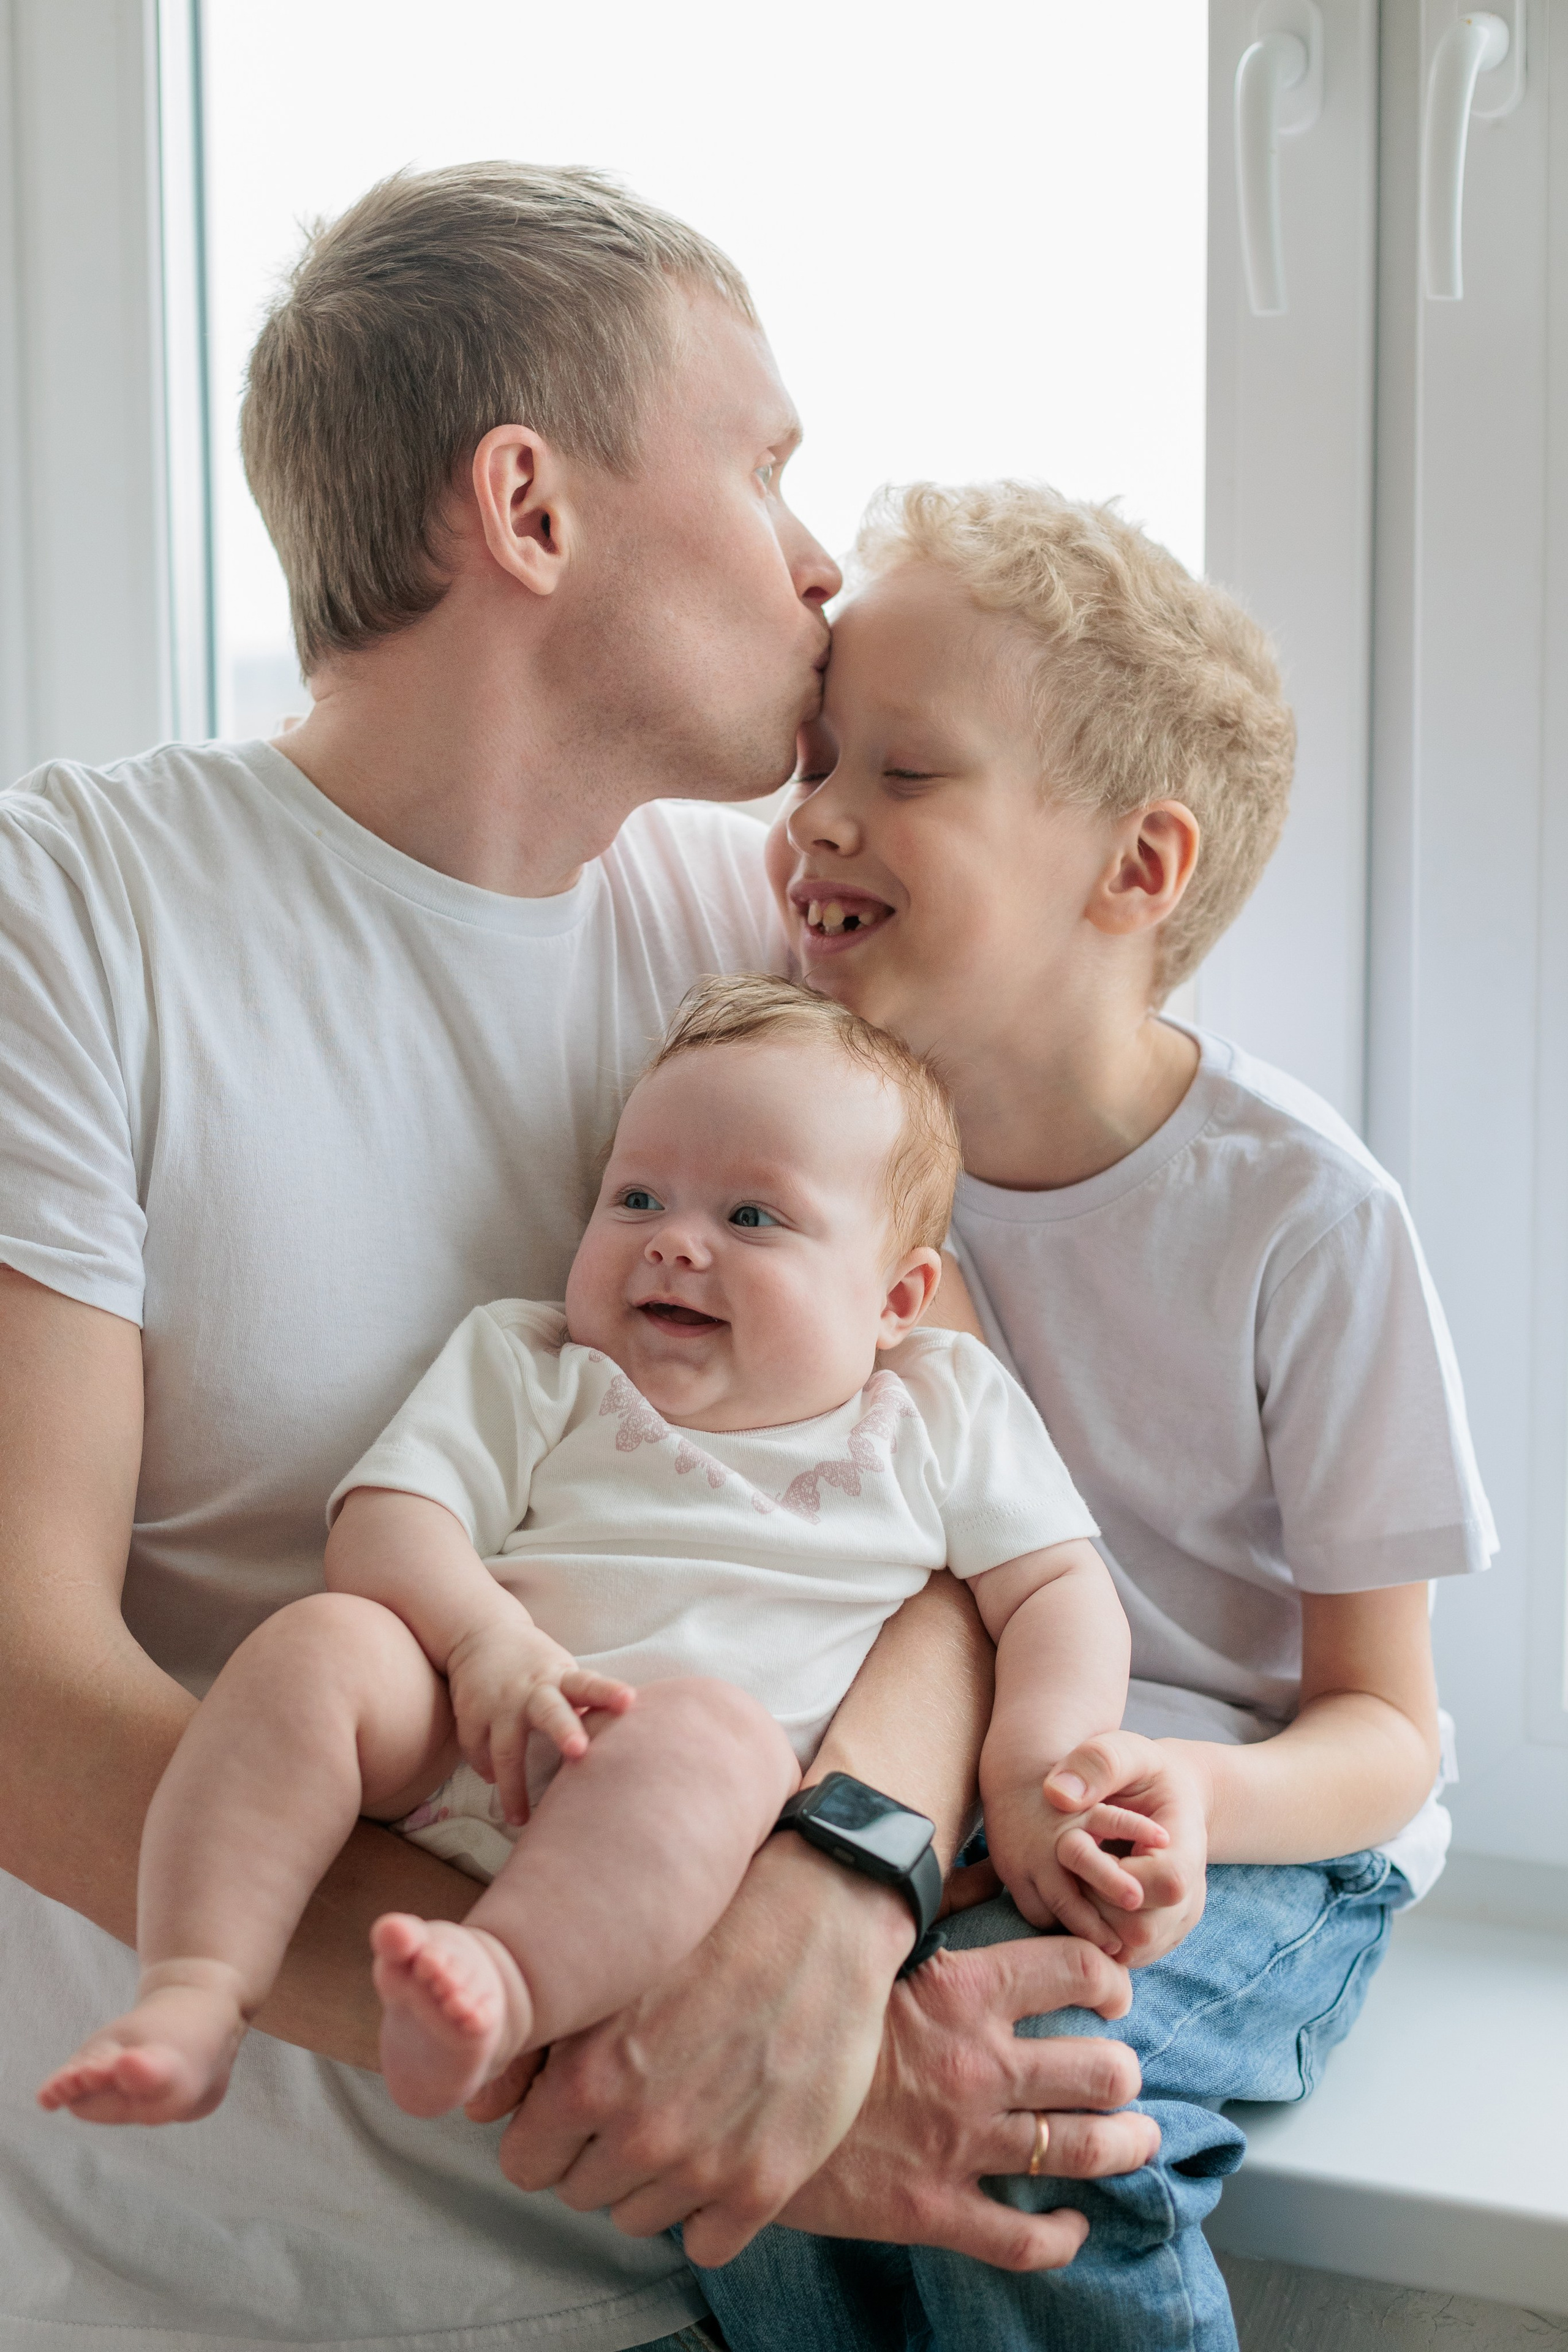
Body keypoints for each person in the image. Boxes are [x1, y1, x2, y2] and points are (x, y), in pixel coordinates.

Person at [0, 172, 1157, 2352]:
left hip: (722, 2284)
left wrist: (839, 1888)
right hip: (222, 2293)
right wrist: (638, 2057)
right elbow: (18, 1701)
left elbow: (948, 1491)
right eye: (766, 466)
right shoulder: (73, 922)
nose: (823, 567)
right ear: (527, 509)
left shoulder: (752, 929)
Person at [706, 479, 1498, 2352]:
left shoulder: (1302, 1216)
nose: (816, 813)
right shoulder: (810, 1147)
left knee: (1013, 2063)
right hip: (942, 1789)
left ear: (1135, 870)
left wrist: (1189, 1797)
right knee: (779, 2059)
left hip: (1253, 1842)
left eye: (905, 772)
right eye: (818, 759)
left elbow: (1389, 1727)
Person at [42, 975, 1163, 2131]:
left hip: (686, 1842)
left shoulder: (938, 1405)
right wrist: (488, 1645)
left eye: (751, 1219)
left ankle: (500, 1994)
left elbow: (1056, 1591)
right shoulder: (541, 1364)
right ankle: (193, 1990)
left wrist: (1035, 1773)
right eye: (635, 1198)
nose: (675, 1244)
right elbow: (386, 1520)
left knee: (714, 1732)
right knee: (326, 1644)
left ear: (898, 1298)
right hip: (475, 1735)